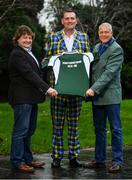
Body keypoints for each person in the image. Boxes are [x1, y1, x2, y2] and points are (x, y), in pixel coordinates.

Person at [8, 25, 58, 172]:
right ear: (17, 39)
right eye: (24, 37)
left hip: (31, 98)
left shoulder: (29, 53)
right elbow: (29, 74)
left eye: (30, 37)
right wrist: (47, 88)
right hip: (22, 98)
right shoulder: (17, 54)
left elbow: (37, 71)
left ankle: (28, 159)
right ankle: (18, 161)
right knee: (21, 131)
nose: (28, 40)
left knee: (29, 130)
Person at [46, 9, 90, 168]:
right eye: (67, 18)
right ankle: (57, 156)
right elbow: (47, 60)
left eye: (72, 18)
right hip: (58, 89)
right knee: (57, 125)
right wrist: (57, 58)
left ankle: (74, 156)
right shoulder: (54, 37)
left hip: (77, 89)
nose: (70, 20)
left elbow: (88, 62)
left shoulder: (84, 38)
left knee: (73, 124)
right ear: (62, 21)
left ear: (76, 21)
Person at [85, 22, 123, 173]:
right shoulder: (96, 48)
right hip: (97, 97)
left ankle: (117, 161)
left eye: (106, 32)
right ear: (98, 33)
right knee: (99, 129)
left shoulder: (117, 49)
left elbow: (109, 73)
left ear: (111, 33)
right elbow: (92, 71)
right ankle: (99, 159)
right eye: (101, 32)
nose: (104, 34)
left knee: (115, 129)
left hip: (111, 97)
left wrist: (93, 89)